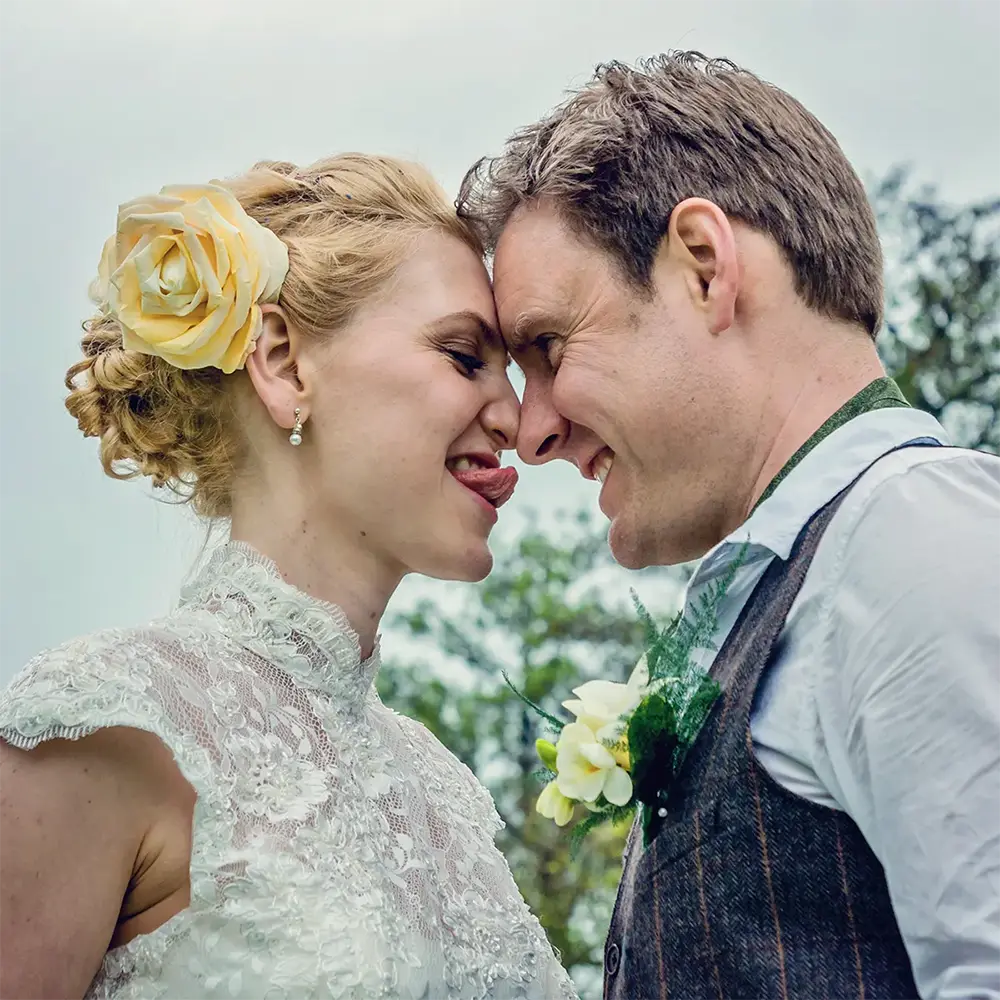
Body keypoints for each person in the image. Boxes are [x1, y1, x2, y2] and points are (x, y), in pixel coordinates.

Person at [458, 51, 1000, 1000]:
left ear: (704, 268)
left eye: (548, 346)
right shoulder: (821, 577)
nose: (533, 427)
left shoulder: (912, 540)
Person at [0, 154, 577, 1000]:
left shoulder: (445, 793)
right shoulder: (108, 721)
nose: (520, 421)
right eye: (463, 356)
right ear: (281, 361)